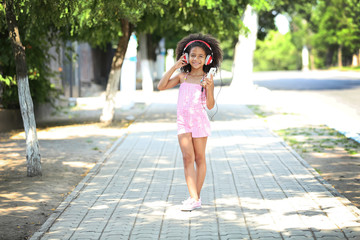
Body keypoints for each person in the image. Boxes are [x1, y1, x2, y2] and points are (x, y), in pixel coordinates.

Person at [157, 33, 223, 211]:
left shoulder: (207, 79)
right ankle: (194, 198)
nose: (196, 59)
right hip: (183, 122)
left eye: (201, 56)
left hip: (199, 121)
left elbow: (210, 106)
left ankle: (195, 198)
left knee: (200, 158)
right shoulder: (182, 76)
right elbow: (161, 86)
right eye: (193, 55)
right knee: (187, 158)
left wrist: (209, 88)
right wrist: (175, 66)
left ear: (207, 59)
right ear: (186, 56)